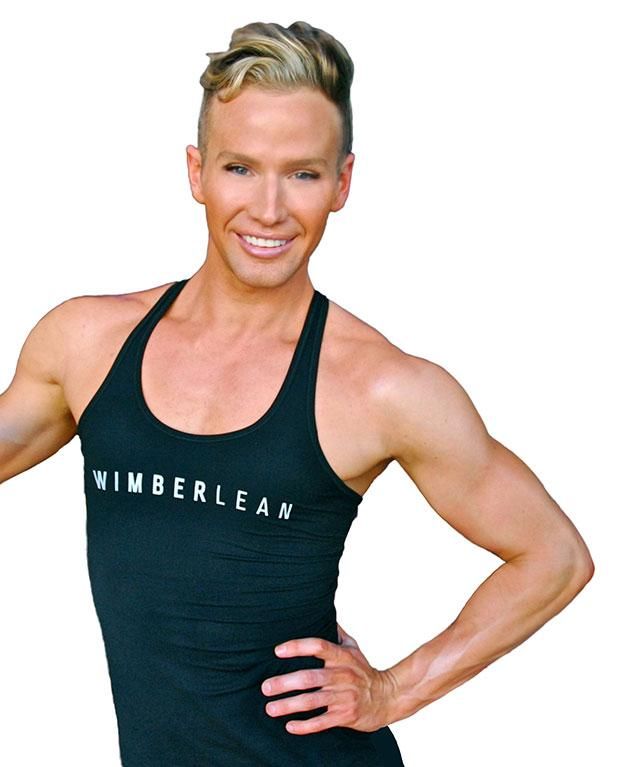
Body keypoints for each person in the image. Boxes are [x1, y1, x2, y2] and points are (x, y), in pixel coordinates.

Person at [0, 19, 594, 767]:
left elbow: (555, 557)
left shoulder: (381, 386)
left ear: (342, 182)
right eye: (241, 168)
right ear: (196, 172)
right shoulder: (86, 342)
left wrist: (394, 689)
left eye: (303, 174)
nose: (269, 208)